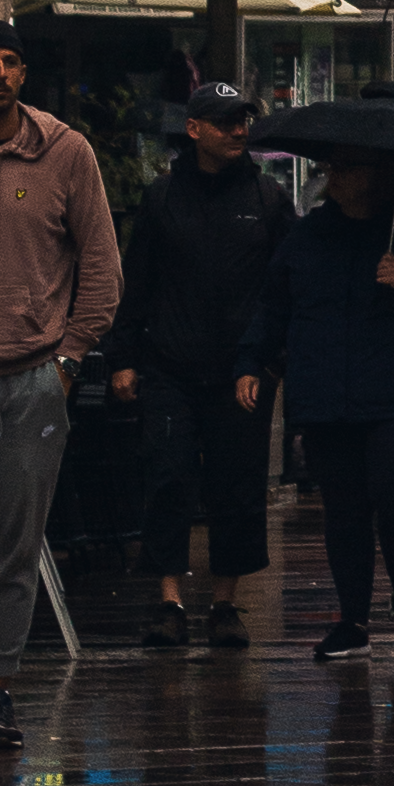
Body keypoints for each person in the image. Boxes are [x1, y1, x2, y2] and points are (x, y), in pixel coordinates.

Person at [237, 149, 394, 659]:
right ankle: (353, 619)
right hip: (325, 392)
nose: (332, 176)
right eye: (330, 168)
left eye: (346, 167)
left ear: (379, 175)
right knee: (344, 509)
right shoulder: (307, 236)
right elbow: (275, 304)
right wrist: (252, 360)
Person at [106, 78, 285, 648]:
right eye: (226, 121)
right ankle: (169, 600)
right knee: (168, 476)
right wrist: (124, 357)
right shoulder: (162, 198)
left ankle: (226, 603)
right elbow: (137, 283)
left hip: (242, 371)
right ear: (194, 129)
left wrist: (270, 358)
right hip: (169, 367)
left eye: (243, 121)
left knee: (237, 485)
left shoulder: (267, 199)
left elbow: (287, 287)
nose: (238, 131)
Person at [0, 12, 122, 754]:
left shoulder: (65, 153)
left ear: (24, 74)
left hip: (33, 377)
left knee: (15, 543)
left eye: (9, 61)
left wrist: (67, 361)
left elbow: (102, 272)